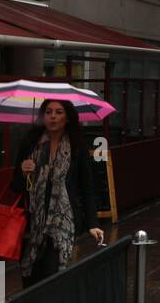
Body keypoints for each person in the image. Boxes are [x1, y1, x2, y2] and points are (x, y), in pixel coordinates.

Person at [12, 100, 104, 287]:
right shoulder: (30, 144)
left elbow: (87, 186)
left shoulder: (77, 147)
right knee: (30, 278)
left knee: (52, 276)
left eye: (58, 112)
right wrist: (23, 171)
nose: (53, 116)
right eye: (48, 112)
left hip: (63, 222)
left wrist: (92, 223)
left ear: (67, 117)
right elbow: (15, 186)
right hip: (32, 224)